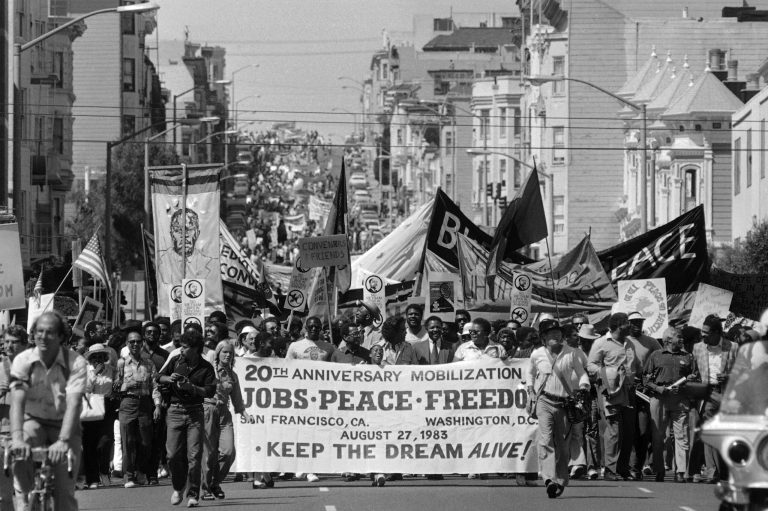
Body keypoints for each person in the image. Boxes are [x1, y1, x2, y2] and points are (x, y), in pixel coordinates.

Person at [9, 312, 87, 511]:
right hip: (33, 420)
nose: (43, 336)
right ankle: (25, 497)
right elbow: (17, 401)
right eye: (39, 332)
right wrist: (17, 438)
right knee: (18, 452)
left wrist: (62, 441)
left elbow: (74, 403)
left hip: (65, 425)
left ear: (61, 337)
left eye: (50, 332)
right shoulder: (22, 361)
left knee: (64, 494)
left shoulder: (75, 362)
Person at [527, 319, 590, 498]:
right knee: (546, 439)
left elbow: (581, 373)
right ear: (543, 337)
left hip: (564, 403)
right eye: (550, 333)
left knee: (563, 445)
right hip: (544, 400)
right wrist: (530, 390)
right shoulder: (537, 354)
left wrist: (584, 386)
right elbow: (530, 373)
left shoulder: (572, 353)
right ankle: (549, 479)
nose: (555, 335)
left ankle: (561, 479)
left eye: (557, 332)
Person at [157, 329, 217, 508]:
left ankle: (193, 494)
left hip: (195, 413)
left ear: (196, 348)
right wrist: (169, 378)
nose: (181, 350)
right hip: (174, 411)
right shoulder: (175, 360)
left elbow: (209, 391)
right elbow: (158, 377)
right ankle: (178, 486)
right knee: (173, 455)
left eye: (184, 347)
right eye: (180, 347)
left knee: (194, 455)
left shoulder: (206, 367)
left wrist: (192, 388)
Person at [587, 312, 640, 481]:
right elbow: (591, 365)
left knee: (628, 432)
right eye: (627, 324)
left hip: (629, 392)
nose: (631, 326)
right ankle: (610, 469)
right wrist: (609, 374)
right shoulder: (601, 343)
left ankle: (622, 468)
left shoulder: (629, 343)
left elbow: (635, 365)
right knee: (614, 430)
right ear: (618, 326)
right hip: (610, 393)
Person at [284, 316, 335, 483]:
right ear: (306, 328)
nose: (314, 329)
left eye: (317, 327)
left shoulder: (328, 347)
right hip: (300, 397)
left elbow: (336, 370)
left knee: (316, 434)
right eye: (311, 326)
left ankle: (311, 467)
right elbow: (287, 370)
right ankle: (302, 466)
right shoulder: (295, 346)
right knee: (301, 434)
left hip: (321, 398)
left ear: (321, 329)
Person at [644, 326, 696, 482]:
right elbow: (646, 379)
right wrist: (659, 388)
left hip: (680, 401)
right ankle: (659, 469)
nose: (681, 339)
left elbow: (694, 375)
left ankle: (680, 472)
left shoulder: (688, 356)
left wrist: (689, 381)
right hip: (659, 400)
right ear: (668, 340)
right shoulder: (656, 355)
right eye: (678, 337)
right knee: (659, 437)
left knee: (682, 436)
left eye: (681, 337)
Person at [691, 315, 737, 483]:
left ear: (718, 333)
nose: (703, 337)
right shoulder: (698, 348)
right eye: (702, 333)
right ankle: (712, 472)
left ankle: (726, 471)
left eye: (707, 334)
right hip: (707, 393)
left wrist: (729, 376)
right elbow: (694, 371)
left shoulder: (733, 347)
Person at [116, 326, 162, 488]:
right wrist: (124, 385)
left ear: (142, 343)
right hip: (127, 403)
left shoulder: (148, 364)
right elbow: (115, 386)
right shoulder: (121, 363)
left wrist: (157, 406)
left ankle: (141, 472)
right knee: (127, 441)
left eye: (138, 341)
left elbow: (155, 386)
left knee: (145, 441)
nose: (135, 344)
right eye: (132, 342)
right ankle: (128, 475)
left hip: (144, 403)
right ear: (127, 344)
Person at [201, 343, 246, 500]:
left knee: (228, 452)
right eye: (224, 352)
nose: (227, 355)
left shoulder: (233, 375)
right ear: (218, 353)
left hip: (224, 414)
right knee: (209, 453)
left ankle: (215, 482)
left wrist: (243, 412)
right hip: (208, 410)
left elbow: (237, 399)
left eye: (230, 353)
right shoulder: (208, 371)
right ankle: (205, 488)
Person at [626, 311, 662, 480]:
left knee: (643, 430)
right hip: (625, 390)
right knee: (627, 431)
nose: (637, 325)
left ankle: (637, 467)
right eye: (633, 322)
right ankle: (624, 466)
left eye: (639, 322)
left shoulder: (651, 342)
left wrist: (651, 378)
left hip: (644, 391)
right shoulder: (622, 342)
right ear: (627, 323)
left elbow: (662, 359)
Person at [81, 343, 116, 489]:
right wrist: (95, 373)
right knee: (89, 444)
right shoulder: (85, 371)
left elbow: (115, 385)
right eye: (95, 357)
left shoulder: (111, 370)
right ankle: (92, 478)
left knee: (105, 441)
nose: (98, 359)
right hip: (90, 404)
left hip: (106, 405)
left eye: (101, 356)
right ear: (90, 358)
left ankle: (104, 472)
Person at [0, 326, 27, 510]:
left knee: (22, 491)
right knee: (3, 496)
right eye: (6, 341)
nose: (9, 345)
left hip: (24, 436)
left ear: (24, 345)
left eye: (14, 342)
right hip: (1, 436)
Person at [158, 208, 217, 286]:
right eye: (178, 230)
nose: (184, 235)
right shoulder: (159, 261)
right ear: (172, 234)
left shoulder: (211, 264)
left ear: (197, 233)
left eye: (189, 229)